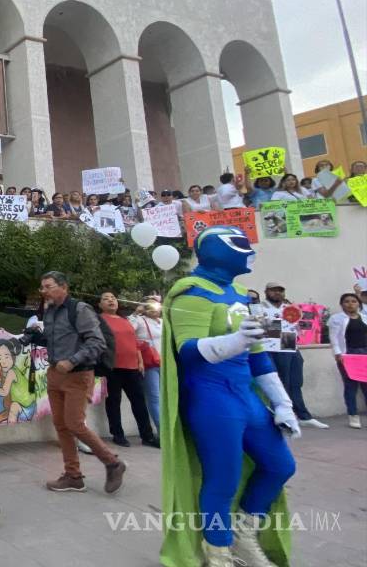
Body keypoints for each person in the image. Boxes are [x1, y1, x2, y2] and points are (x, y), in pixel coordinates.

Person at [160, 226, 298, 566]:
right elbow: (187, 352)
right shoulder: (191, 293)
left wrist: (282, 402)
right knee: (223, 477)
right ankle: (218, 551)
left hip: (244, 394)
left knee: (281, 465)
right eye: (241, 244)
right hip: (211, 397)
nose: (249, 250)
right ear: (220, 251)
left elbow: (257, 354)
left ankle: (243, 535)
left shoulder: (238, 292)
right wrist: (237, 340)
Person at [36, 271, 126, 494]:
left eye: (48, 286)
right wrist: (34, 336)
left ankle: (113, 463)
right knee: (61, 425)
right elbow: (53, 338)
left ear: (63, 286)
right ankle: (73, 476)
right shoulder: (50, 311)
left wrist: (72, 360)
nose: (44, 291)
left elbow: (97, 342)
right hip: (55, 373)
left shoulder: (80, 309)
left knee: (74, 423)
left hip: (77, 374)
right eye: (42, 287)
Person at [253, 281, 328, 430]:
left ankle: (304, 416)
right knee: (281, 382)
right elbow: (261, 328)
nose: (277, 293)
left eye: (280, 290)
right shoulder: (259, 308)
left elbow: (302, 327)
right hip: (271, 348)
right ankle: (280, 416)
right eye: (274, 290)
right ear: (266, 292)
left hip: (290, 344)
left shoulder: (290, 309)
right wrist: (282, 326)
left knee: (296, 382)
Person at [97, 292, 159, 448]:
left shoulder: (125, 320)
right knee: (114, 402)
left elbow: (134, 342)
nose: (111, 300)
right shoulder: (99, 320)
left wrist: (140, 361)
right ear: (100, 305)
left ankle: (147, 436)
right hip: (113, 367)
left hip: (132, 367)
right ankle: (118, 434)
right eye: (106, 298)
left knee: (139, 402)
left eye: (113, 298)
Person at [328, 292, 367, 429]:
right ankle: (353, 415)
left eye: (354, 301)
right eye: (347, 301)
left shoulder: (364, 317)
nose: (350, 304)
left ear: (359, 304)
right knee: (351, 386)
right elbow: (333, 337)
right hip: (348, 354)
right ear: (341, 304)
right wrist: (338, 353)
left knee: (366, 386)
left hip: (364, 354)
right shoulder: (336, 319)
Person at [131, 297, 163, 431]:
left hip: (165, 363)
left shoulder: (163, 322)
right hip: (150, 363)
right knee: (154, 397)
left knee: (168, 397)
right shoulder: (140, 320)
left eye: (155, 305)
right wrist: (135, 312)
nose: (153, 308)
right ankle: (162, 431)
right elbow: (128, 329)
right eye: (148, 305)